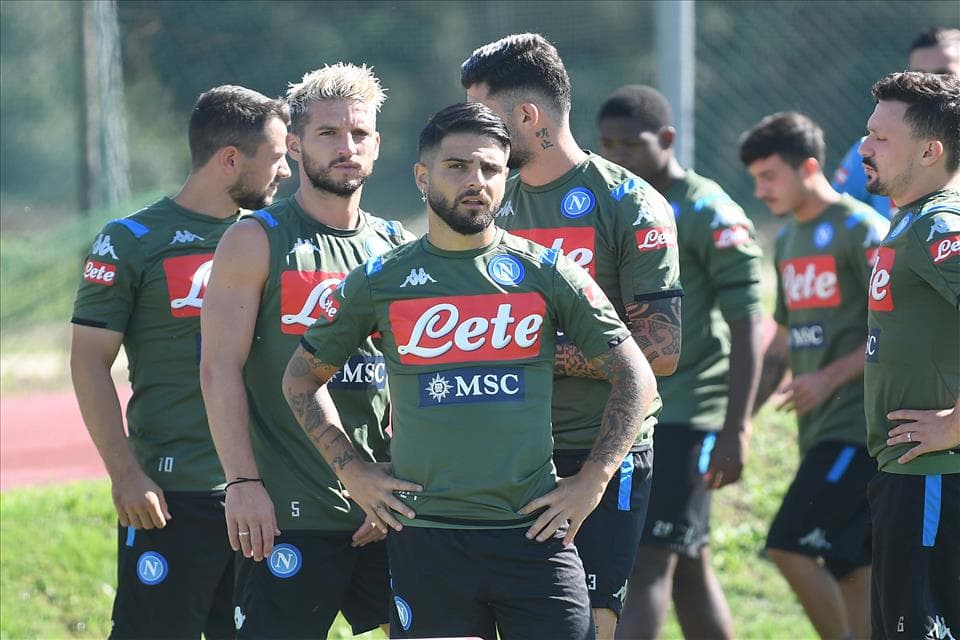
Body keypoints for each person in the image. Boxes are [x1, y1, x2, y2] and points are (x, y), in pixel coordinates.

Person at [282, 101, 658, 640]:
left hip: (533, 534)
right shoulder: (380, 279)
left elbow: (636, 375)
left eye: (489, 169)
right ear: (422, 176)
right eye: (456, 166)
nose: (475, 180)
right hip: (428, 539)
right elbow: (300, 378)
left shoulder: (549, 273)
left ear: (506, 179)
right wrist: (353, 471)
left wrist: (594, 481)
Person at [460, 33, 682, 639]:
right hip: (500, 456)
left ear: (527, 116)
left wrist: (532, 352)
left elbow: (659, 350)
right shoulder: (483, 205)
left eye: (487, 117)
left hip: (598, 456)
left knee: (583, 629)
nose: (476, 135)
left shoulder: (629, 203)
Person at [199, 64, 414, 638]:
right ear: (294, 145)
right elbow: (219, 369)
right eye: (328, 134)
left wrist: (389, 478)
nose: (347, 147)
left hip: (382, 510)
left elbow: (411, 378)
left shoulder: (397, 246)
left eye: (360, 134)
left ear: (377, 145)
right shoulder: (254, 240)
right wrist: (242, 485)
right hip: (284, 513)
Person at [70, 85, 291, 639]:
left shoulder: (277, 238)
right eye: (278, 158)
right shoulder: (132, 240)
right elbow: (89, 361)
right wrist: (125, 474)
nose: (286, 172)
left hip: (267, 496)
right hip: (172, 498)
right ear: (231, 160)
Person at [596, 85, 764, 640]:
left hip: (686, 415)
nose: (617, 155)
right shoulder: (613, 203)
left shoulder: (707, 210)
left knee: (645, 565)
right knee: (687, 567)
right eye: (607, 144)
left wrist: (736, 427)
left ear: (667, 139)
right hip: (629, 408)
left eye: (631, 143)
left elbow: (747, 322)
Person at [740, 112, 890, 640]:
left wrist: (829, 378)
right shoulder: (786, 240)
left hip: (861, 427)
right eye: (755, 178)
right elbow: (780, 340)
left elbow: (895, 326)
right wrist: (743, 422)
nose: (761, 190)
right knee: (851, 567)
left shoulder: (861, 229)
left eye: (770, 176)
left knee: (790, 544)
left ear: (808, 166)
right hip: (819, 430)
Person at [859, 71, 960, 639]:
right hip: (907, 478)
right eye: (868, 133)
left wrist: (957, 424)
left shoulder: (939, 224)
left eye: (880, 138)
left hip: (934, 478)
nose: (864, 147)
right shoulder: (910, 222)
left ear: (929, 150)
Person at [832, 27, 960, 218]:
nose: (932, 84)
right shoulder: (871, 152)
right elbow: (829, 223)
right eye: (921, 75)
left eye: (944, 74)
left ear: (931, 151)